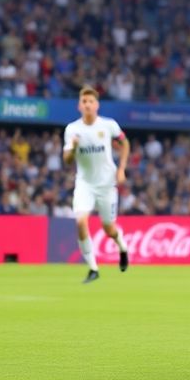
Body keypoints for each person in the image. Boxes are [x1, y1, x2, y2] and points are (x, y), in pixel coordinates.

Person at [62, 85, 131, 284]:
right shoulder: (72, 130)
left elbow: (125, 143)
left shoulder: (108, 126)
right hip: (84, 184)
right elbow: (66, 160)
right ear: (79, 106)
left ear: (97, 105)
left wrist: (121, 169)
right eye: (84, 102)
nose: (88, 105)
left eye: (91, 101)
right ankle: (93, 268)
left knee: (109, 229)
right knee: (81, 221)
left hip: (107, 185)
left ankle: (122, 246)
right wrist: (73, 148)